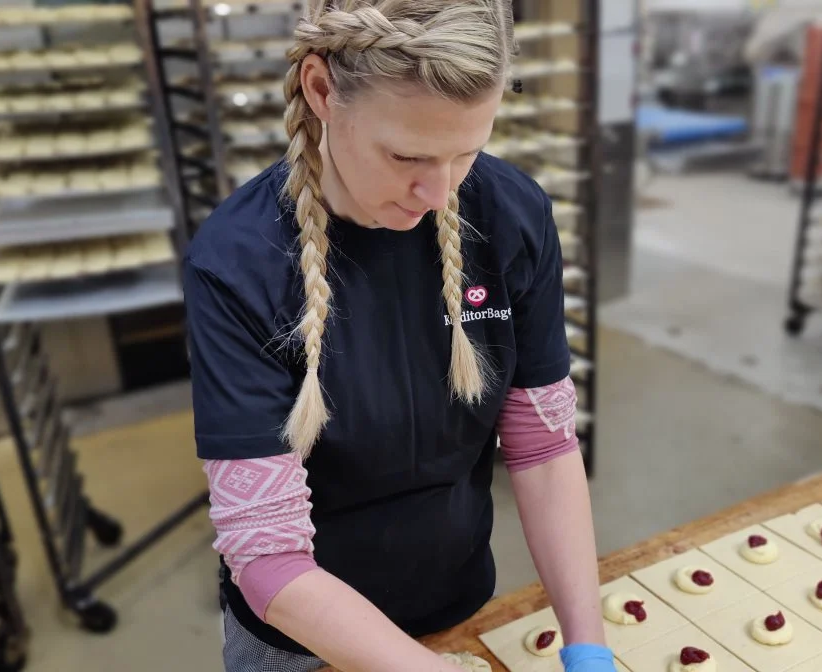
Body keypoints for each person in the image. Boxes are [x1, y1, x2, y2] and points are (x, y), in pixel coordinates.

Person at [184, 1, 614, 670]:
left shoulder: (510, 215)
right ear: (321, 90)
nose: (438, 193)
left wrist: (587, 643)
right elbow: (268, 560)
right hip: (303, 643)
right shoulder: (240, 264)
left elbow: (544, 449)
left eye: (466, 153)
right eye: (407, 155)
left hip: (460, 603)